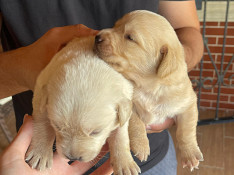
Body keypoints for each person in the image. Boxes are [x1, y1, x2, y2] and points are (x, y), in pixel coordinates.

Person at [0, 0, 203, 174]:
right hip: (41, 163)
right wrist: (25, 69)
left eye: (129, 37)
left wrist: (172, 66)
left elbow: (188, 30)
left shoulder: (157, 70)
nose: (103, 35)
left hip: (149, 159)